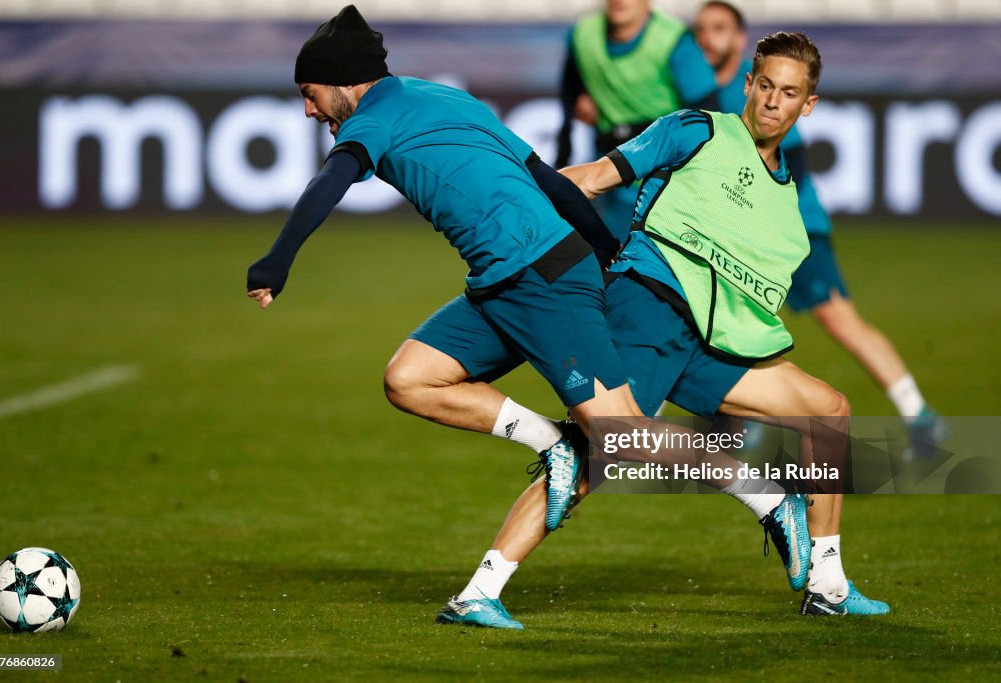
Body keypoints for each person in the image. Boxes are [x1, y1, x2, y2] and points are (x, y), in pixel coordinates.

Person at [245, 6, 795, 571]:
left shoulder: (373, 119)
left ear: (344, 82)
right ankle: (552, 443)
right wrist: (605, 252)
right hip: (507, 278)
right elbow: (548, 180)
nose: (309, 109)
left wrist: (277, 259)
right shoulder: (443, 96)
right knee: (409, 379)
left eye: (311, 93)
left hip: (541, 272)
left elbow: (331, 178)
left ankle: (768, 496)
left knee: (621, 437)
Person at [437, 32, 890, 630]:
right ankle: (479, 591)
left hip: (712, 341)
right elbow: (596, 177)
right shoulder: (696, 131)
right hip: (647, 309)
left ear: (808, 106)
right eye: (766, 87)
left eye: (790, 93)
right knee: (595, 455)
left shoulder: (788, 205)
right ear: (748, 86)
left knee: (828, 412)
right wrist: (511, 202)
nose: (774, 102)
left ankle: (827, 583)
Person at [694, 0, 947, 459]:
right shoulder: (698, 91)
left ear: (738, 40)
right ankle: (736, 421)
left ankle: (919, 416)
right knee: (719, 315)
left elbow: (781, 161)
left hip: (793, 226)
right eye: (701, 30)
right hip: (737, 228)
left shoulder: (762, 92)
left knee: (838, 319)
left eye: (719, 29)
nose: (707, 38)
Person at [556, 0, 720, 241]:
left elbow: (709, 118)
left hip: (662, 184)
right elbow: (569, 99)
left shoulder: (674, 41)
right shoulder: (583, 34)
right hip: (605, 173)